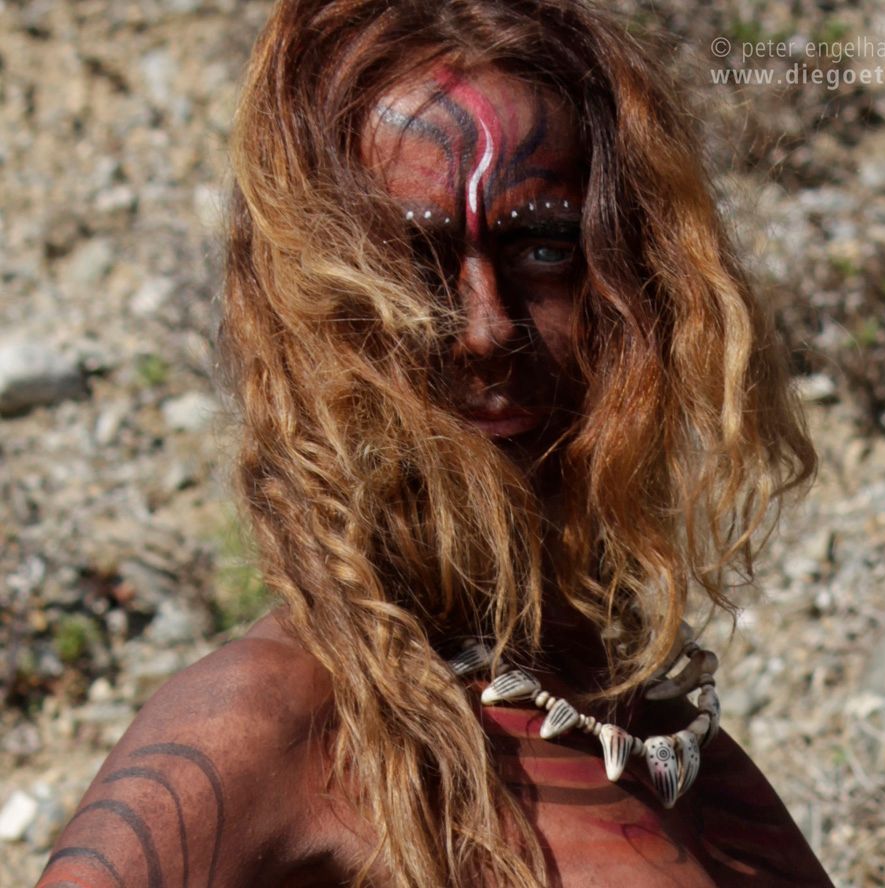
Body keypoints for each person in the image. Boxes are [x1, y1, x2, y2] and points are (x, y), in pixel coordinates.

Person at [38, 1, 833, 885]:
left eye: (542, 247)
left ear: (635, 274)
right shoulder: (273, 724)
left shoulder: (633, 715)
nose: (487, 328)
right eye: (414, 263)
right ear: (315, 307)